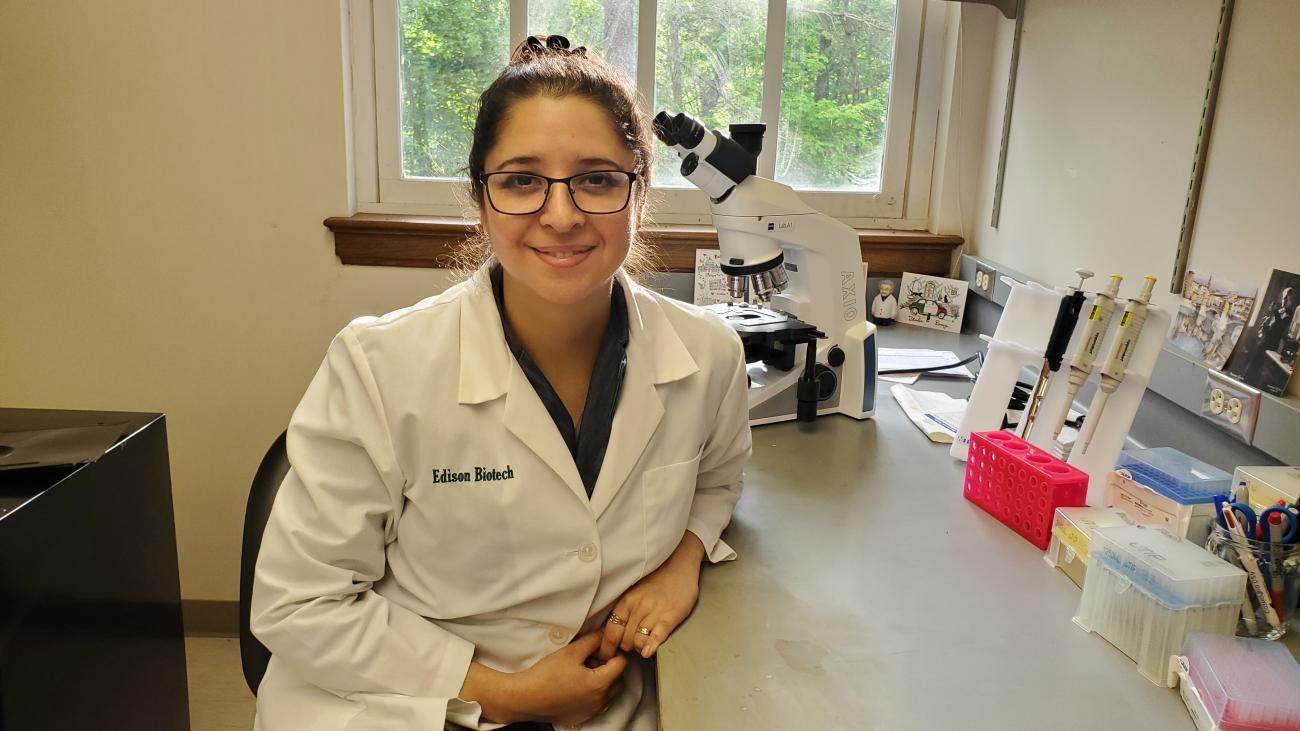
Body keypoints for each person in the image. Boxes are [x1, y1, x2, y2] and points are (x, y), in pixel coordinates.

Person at [251, 35, 751, 731]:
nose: (561, 214)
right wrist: (504, 692)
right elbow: (297, 602)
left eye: (597, 178)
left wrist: (684, 559)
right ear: (480, 200)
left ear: (640, 196)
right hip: (395, 705)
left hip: (601, 707)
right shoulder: (380, 365)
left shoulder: (708, 355)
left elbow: (720, 478)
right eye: (521, 180)